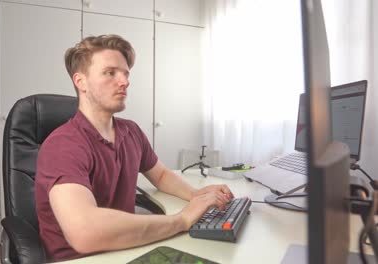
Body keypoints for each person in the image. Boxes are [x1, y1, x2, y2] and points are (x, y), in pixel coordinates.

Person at [35, 34, 234, 262]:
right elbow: (84, 233)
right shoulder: (63, 145)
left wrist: (196, 195)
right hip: (82, 258)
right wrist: (182, 220)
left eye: (125, 73)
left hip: (125, 249)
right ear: (80, 82)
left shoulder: (131, 132)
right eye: (110, 73)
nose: (124, 81)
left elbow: (160, 174)